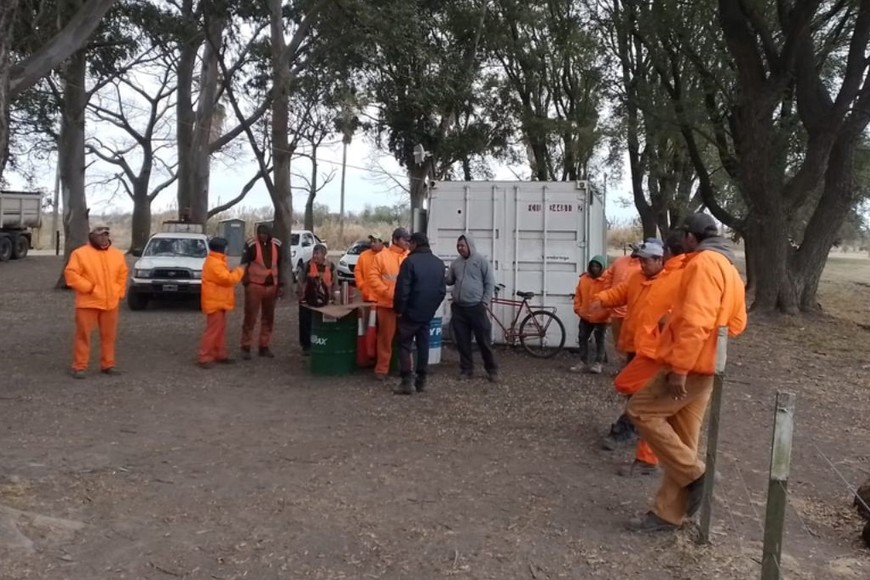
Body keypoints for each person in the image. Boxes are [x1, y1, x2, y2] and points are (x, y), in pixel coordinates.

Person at [625, 213, 747, 532]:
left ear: (692, 237)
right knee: (683, 440)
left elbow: (695, 321)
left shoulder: (703, 263)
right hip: (710, 367)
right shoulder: (730, 268)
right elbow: (737, 324)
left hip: (689, 367)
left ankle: (698, 475)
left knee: (640, 410)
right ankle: (668, 514)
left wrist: (680, 367)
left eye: (684, 237)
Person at [602, 233, 688, 477]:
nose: (641, 264)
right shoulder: (642, 278)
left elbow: (684, 319)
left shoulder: (677, 278)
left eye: (646, 260)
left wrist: (676, 360)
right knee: (632, 391)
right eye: (639, 260)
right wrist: (601, 299)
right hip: (640, 349)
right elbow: (621, 294)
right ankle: (675, 458)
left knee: (651, 406)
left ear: (662, 257)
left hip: (661, 355)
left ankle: (651, 456)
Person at [64, 225, 129, 379]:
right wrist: (89, 288)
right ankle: (79, 366)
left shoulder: (117, 254)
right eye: (100, 235)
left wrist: (119, 292)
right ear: (92, 236)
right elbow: (71, 274)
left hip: (111, 303)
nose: (103, 237)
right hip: (88, 302)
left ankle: (108, 364)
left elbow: (122, 274)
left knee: (109, 336)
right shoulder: (80, 254)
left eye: (106, 234)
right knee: (83, 335)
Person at [393, 232, 447, 395]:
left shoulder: (409, 262)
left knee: (404, 345)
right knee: (423, 345)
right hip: (427, 314)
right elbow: (441, 291)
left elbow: (402, 290)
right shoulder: (439, 263)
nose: (408, 246)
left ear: (416, 244)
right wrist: (431, 309)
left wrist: (400, 310)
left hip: (409, 313)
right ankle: (421, 381)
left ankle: (406, 381)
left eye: (410, 243)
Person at [446, 234, 498, 381]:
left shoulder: (481, 261)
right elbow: (449, 281)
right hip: (459, 308)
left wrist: (484, 303)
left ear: (470, 245)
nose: (460, 248)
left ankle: (492, 370)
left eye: (462, 245)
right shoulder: (456, 263)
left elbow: (489, 283)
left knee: (484, 341)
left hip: (476, 308)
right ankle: (466, 370)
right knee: (462, 341)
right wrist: (442, 274)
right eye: (458, 246)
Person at [366, 228, 411, 379]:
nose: (407, 242)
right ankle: (382, 369)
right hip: (386, 305)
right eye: (404, 239)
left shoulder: (410, 256)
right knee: (385, 339)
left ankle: (405, 369)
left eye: (408, 239)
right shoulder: (381, 257)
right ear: (396, 239)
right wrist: (387, 292)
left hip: (405, 306)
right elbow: (372, 278)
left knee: (406, 339)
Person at [198, 238, 245, 368]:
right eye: (226, 247)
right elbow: (228, 279)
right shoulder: (215, 263)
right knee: (213, 331)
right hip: (215, 302)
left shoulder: (215, 261)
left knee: (219, 330)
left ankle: (219, 354)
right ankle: (205, 357)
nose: (227, 249)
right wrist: (239, 271)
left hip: (218, 301)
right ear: (221, 248)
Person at [240, 224, 284, 359]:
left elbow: (280, 265)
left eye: (264, 233)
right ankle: (246, 346)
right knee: (250, 317)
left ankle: (264, 346)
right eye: (260, 233)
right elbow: (244, 264)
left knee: (268, 318)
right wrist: (246, 282)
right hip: (254, 285)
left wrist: (280, 284)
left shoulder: (277, 245)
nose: (262, 236)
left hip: (272, 286)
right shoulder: (251, 245)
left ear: (269, 234)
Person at [600, 247, 642, 360]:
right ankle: (622, 364)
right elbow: (608, 277)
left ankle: (630, 364)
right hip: (615, 311)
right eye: (635, 248)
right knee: (618, 342)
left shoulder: (643, 267)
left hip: (632, 314)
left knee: (632, 343)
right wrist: (608, 296)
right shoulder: (619, 261)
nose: (636, 251)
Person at [570, 255, 610, 374]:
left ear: (602, 267)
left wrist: (608, 314)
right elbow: (578, 295)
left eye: (597, 266)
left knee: (600, 340)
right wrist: (578, 309)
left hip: (601, 317)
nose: (595, 268)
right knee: (582, 338)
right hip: (585, 315)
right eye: (593, 266)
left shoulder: (608, 280)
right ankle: (583, 362)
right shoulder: (584, 279)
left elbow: (612, 298)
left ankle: (598, 363)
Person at [297, 243, 336, 355]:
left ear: (324, 254)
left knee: (323, 323)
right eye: (314, 253)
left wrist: (334, 296)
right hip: (308, 300)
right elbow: (300, 282)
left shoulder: (331, 266)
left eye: (317, 253)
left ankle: (323, 344)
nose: (315, 256)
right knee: (305, 323)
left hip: (325, 301)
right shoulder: (306, 266)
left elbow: (335, 283)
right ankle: (306, 346)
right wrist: (301, 295)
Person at [354, 233, 384, 302]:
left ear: (381, 242)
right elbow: (357, 271)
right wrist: (361, 285)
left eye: (375, 241)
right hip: (367, 297)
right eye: (371, 241)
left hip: (383, 299)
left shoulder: (388, 256)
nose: (372, 244)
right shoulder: (364, 255)